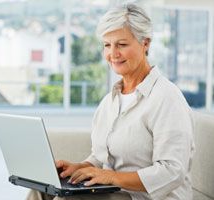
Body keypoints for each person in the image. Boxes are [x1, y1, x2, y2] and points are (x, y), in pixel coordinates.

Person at [27, 3, 194, 200]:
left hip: (145, 197)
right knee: (41, 189)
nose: (112, 54)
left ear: (145, 43)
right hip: (113, 192)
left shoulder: (167, 98)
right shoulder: (110, 101)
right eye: (107, 45)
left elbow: (172, 171)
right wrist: (79, 168)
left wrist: (111, 177)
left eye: (121, 45)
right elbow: (100, 158)